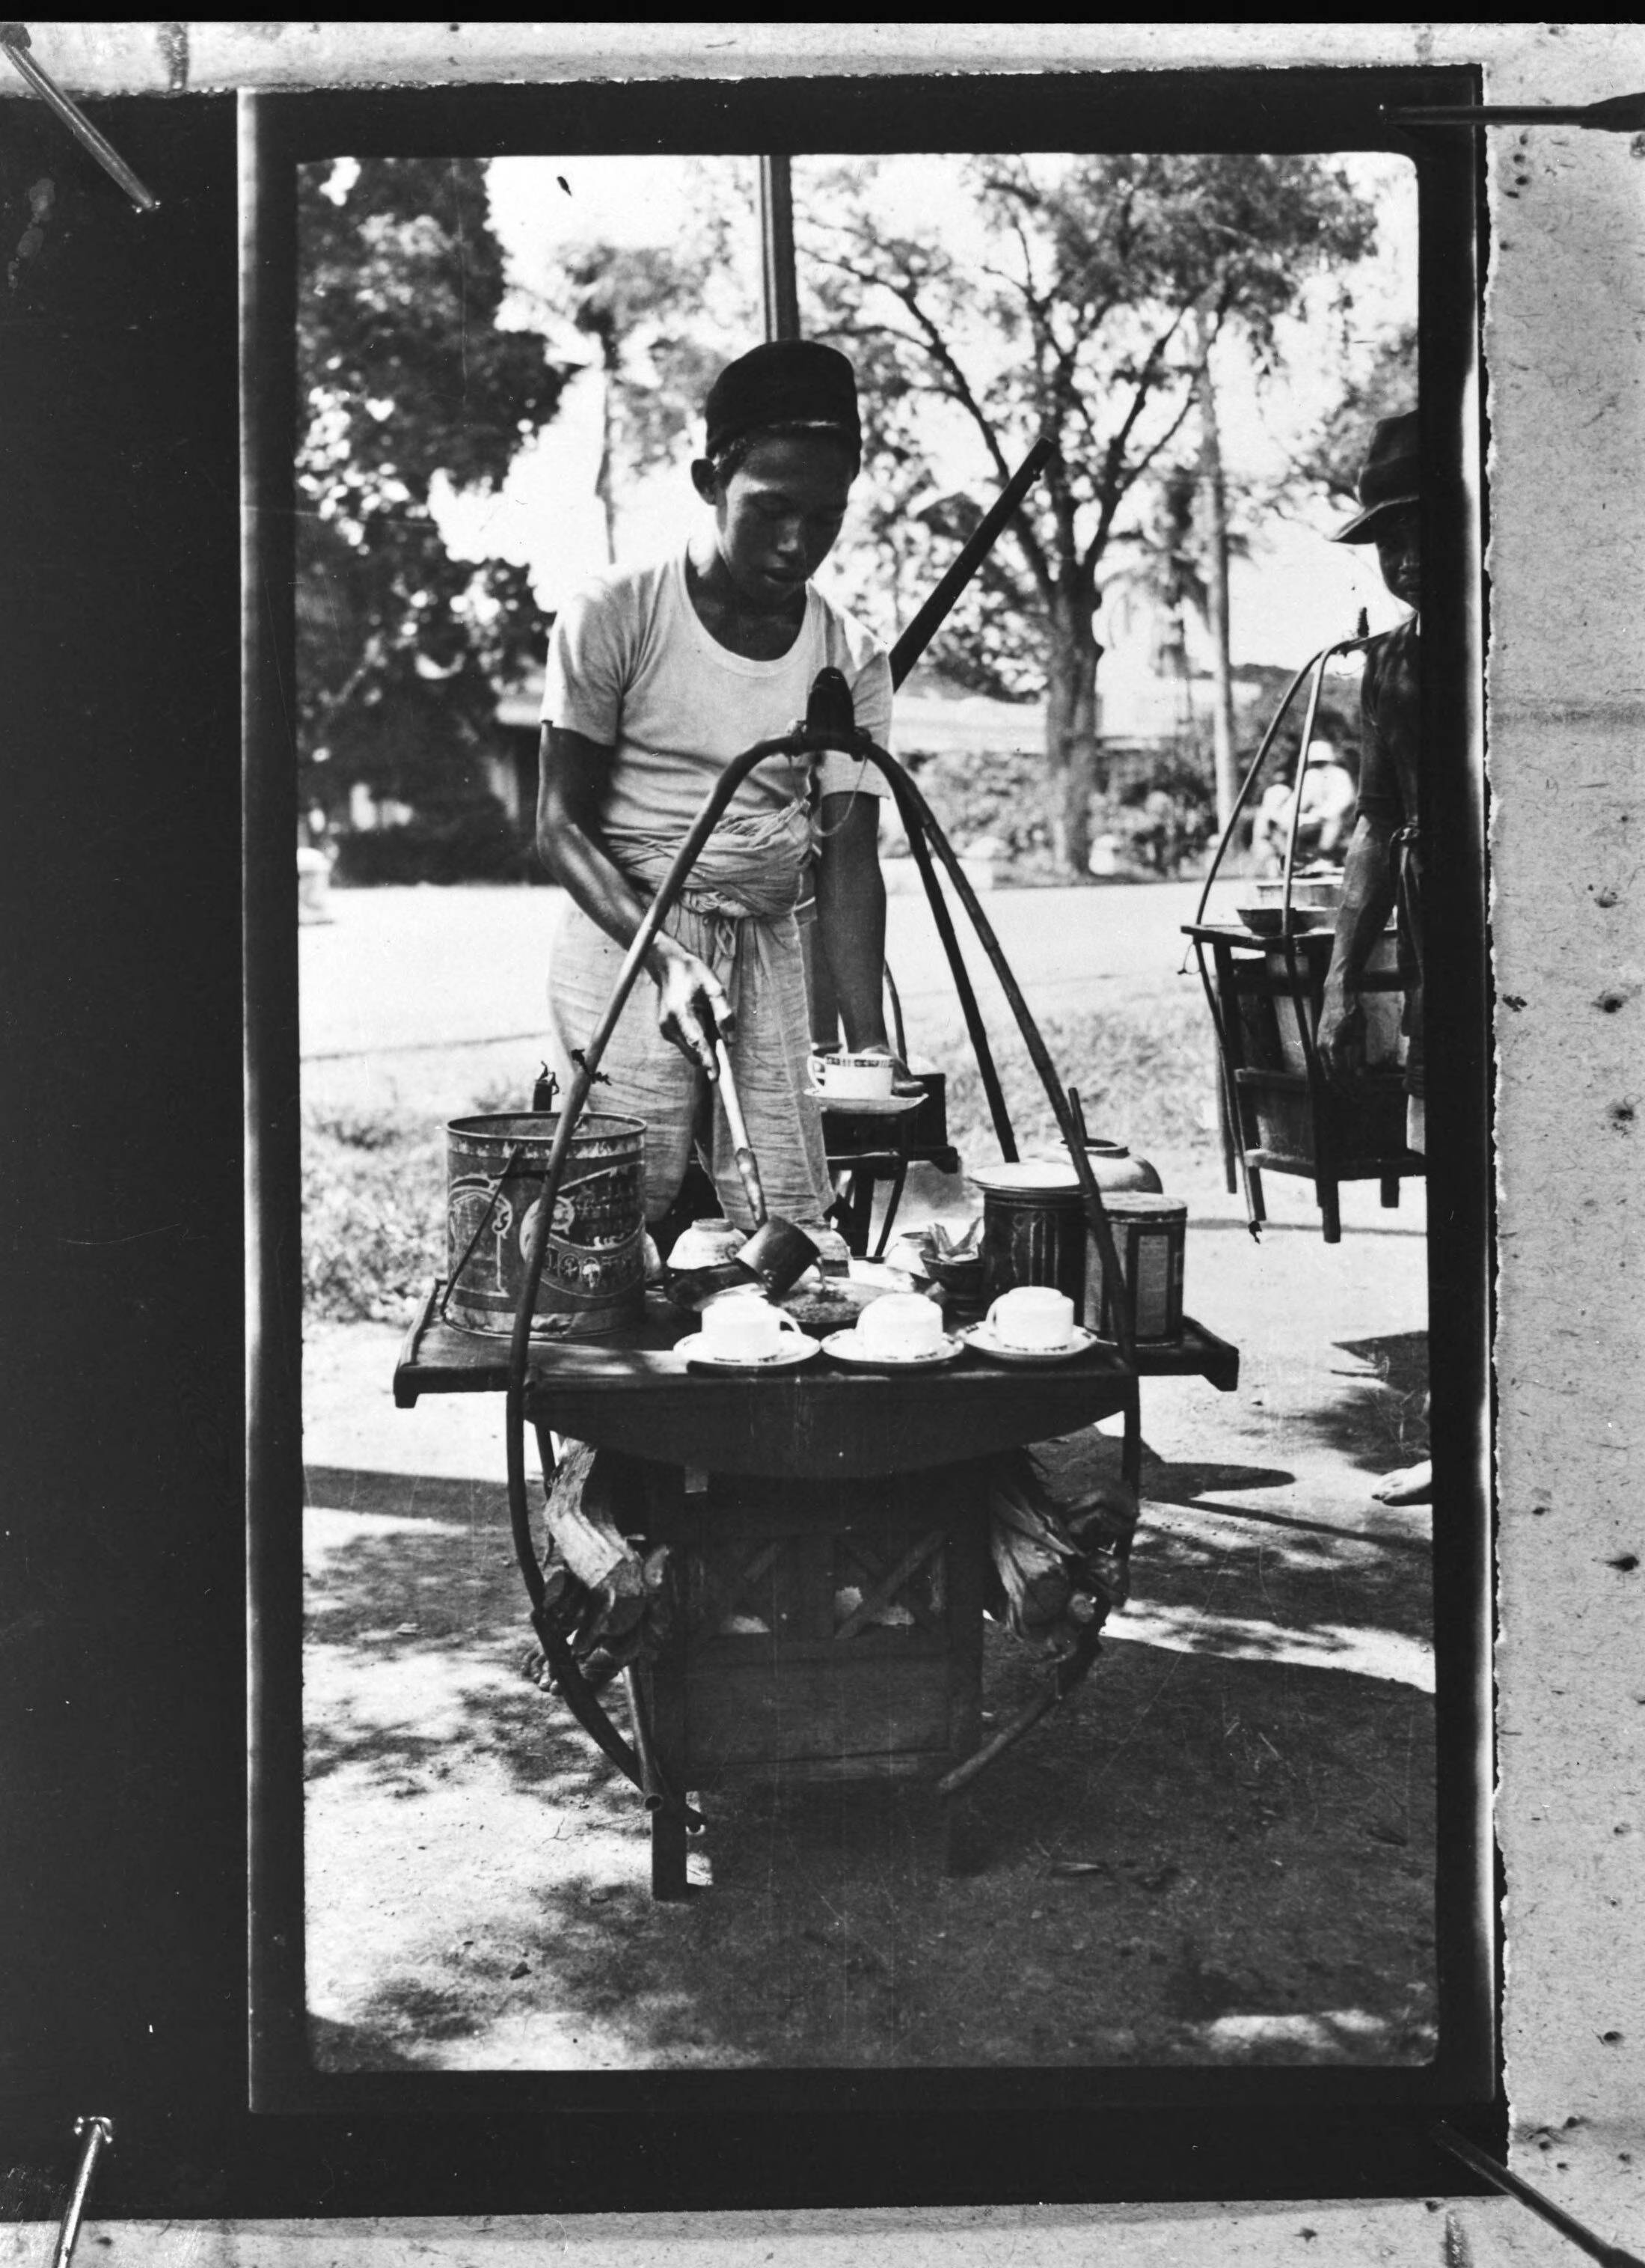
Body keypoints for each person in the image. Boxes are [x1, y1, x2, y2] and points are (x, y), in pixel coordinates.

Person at [536, 339, 901, 1240]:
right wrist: (664, 957)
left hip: (763, 939)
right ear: (709, 481)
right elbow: (559, 827)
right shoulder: (615, 614)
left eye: (825, 517)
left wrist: (868, 1046)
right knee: (605, 1217)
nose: (797, 544)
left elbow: (850, 859)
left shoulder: (849, 657)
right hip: (626, 931)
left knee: (792, 1220)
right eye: (770, 509)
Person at [1315, 409, 1430, 1505]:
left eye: (1423, 527)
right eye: (1388, 538)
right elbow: (1376, 824)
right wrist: (1342, 978)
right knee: (1457, 1200)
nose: (1405, 557)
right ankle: (1463, 1433)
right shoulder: (1390, 664)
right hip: (1443, 975)